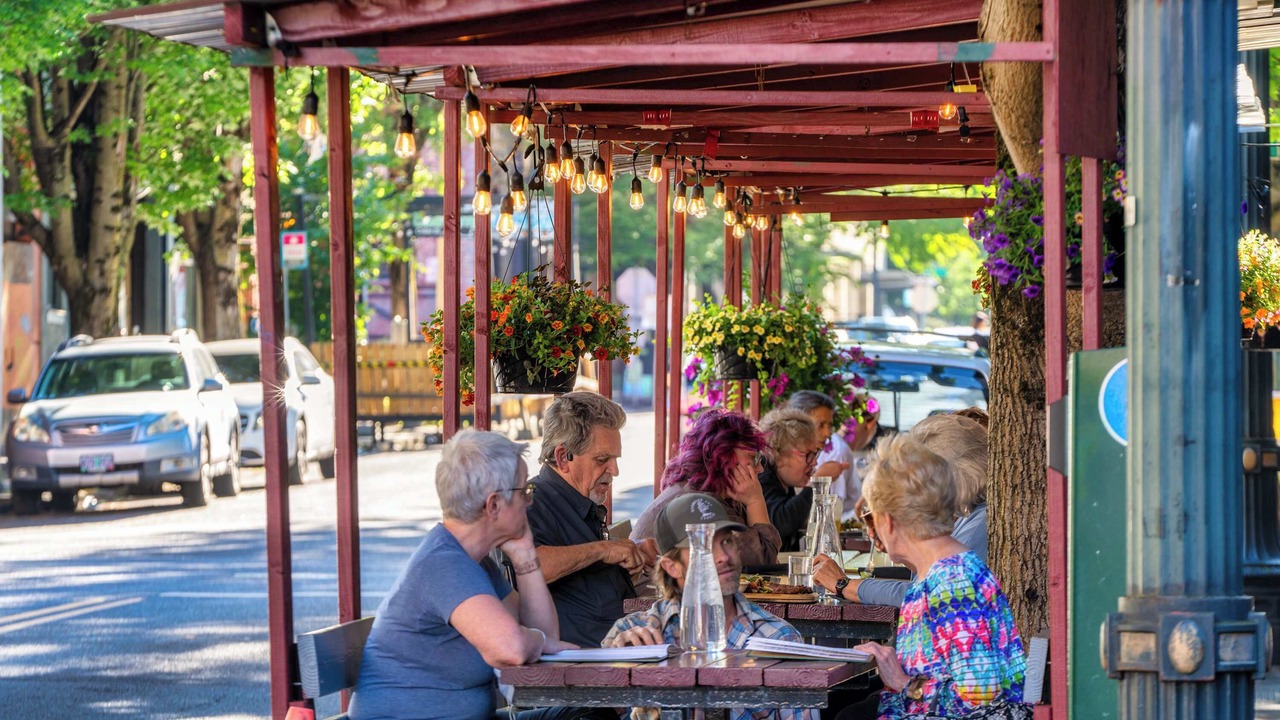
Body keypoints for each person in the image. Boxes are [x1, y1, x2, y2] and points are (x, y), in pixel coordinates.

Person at [349, 430, 612, 720]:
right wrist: (536, 640)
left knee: (590, 713)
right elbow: (511, 648)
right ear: (493, 505)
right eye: (523, 492)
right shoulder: (443, 563)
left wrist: (525, 553)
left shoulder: (475, 562)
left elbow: (545, 634)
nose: (529, 502)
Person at [836, 434, 1029, 720]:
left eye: (871, 516)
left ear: (888, 520)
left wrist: (903, 683)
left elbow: (981, 700)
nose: (871, 528)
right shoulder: (938, 573)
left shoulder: (955, 584)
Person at [605, 493, 819, 720]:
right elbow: (596, 707)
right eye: (704, 546)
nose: (723, 557)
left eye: (727, 541)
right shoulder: (632, 633)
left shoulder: (779, 639)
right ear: (672, 567)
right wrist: (617, 670)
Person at [814, 412, 990, 607]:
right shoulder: (969, 515)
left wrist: (844, 585)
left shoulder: (980, 525)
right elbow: (925, 578)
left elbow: (926, 595)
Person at [525, 391, 656, 648]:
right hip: (584, 665)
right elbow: (528, 565)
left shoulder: (580, 501)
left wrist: (633, 554)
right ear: (563, 457)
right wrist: (604, 550)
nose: (614, 470)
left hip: (623, 643)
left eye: (615, 459)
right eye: (602, 459)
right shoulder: (531, 502)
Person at [631, 408, 780, 566]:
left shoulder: (711, 492)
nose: (760, 469)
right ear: (723, 455)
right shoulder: (700, 501)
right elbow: (762, 561)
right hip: (652, 590)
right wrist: (754, 500)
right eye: (753, 457)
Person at [757, 407, 823, 552]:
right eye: (807, 454)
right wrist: (815, 484)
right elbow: (781, 523)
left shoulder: (784, 481)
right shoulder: (763, 478)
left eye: (815, 453)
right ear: (778, 455)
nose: (814, 462)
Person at [787, 390, 858, 518]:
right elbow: (784, 519)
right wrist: (819, 480)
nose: (827, 433)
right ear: (797, 425)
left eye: (829, 425)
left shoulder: (835, 450)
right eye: (821, 425)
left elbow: (833, 510)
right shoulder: (778, 459)